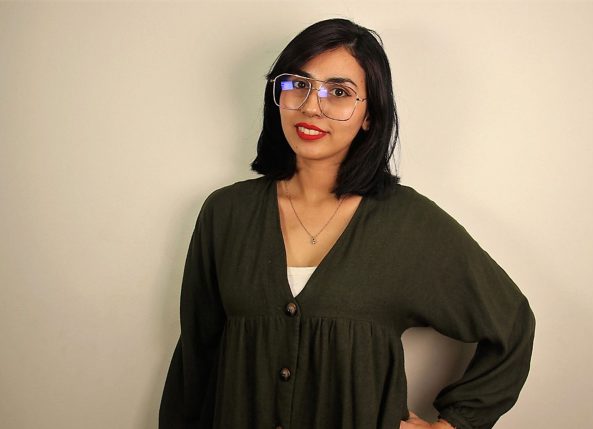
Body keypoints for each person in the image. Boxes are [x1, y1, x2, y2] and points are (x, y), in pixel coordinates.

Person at [159, 18, 535, 429]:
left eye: (338, 92)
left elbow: (512, 325)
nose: (310, 106)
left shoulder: (408, 224)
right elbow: (194, 363)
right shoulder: (225, 213)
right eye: (297, 84)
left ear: (370, 115)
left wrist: (454, 425)